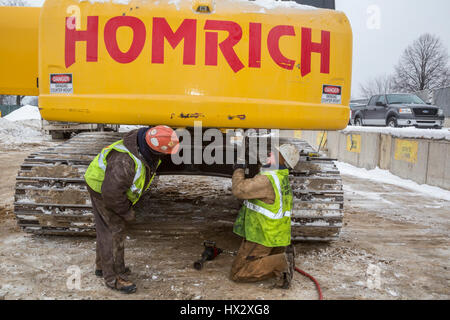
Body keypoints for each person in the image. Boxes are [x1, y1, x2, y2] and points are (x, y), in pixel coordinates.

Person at [84, 125, 179, 294]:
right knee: (114, 232)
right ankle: (114, 277)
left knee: (105, 229)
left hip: (106, 187)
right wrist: (126, 212)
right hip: (104, 191)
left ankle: (102, 267)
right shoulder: (124, 161)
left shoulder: (142, 146)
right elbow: (112, 194)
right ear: (156, 150)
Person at [230, 144, 300, 289]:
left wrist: (239, 169)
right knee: (255, 264)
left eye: (275, 153)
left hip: (262, 235)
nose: (270, 154)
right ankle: (280, 258)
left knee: (238, 273)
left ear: (281, 160)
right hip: (277, 236)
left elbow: (239, 190)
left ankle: (282, 262)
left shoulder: (267, 179)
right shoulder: (281, 177)